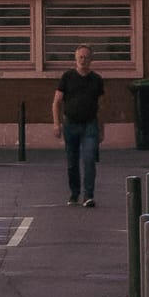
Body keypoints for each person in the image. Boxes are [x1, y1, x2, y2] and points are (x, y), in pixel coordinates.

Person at [53, 43, 105, 207]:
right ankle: (74, 193)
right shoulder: (67, 77)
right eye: (80, 57)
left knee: (89, 158)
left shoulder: (96, 79)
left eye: (86, 57)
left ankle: (88, 195)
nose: (83, 60)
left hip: (90, 124)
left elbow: (101, 106)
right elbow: (57, 102)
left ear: (91, 59)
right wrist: (57, 124)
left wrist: (102, 128)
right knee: (72, 161)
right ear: (75, 58)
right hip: (71, 124)